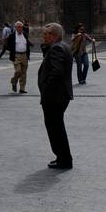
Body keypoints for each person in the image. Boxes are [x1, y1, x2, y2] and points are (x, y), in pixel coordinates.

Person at [37, 23, 74, 170]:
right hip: (59, 95)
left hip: (54, 96)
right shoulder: (62, 46)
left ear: (54, 35)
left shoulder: (57, 48)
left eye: (46, 34)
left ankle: (64, 160)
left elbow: (57, 71)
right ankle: (62, 157)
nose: (43, 37)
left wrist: (46, 85)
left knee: (55, 128)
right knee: (57, 127)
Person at [0, 20, 32, 93]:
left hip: (24, 55)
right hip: (16, 55)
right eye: (18, 27)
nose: (20, 28)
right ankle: (14, 81)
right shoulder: (12, 36)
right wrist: (11, 50)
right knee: (18, 71)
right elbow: (6, 43)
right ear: (16, 28)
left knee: (24, 73)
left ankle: (22, 88)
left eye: (21, 27)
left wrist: (30, 45)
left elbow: (27, 42)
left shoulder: (24, 34)